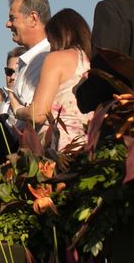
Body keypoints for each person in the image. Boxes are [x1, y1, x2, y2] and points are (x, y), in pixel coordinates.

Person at [14, 9, 94, 156]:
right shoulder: (91, 61)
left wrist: (18, 110)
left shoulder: (56, 59)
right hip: (88, 145)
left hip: (60, 148)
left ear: (58, 36)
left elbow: (38, 114)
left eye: (50, 41)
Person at [5, 0, 51, 109]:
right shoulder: (27, 62)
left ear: (33, 18)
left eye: (12, 18)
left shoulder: (47, 58)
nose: (8, 24)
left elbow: (35, 114)